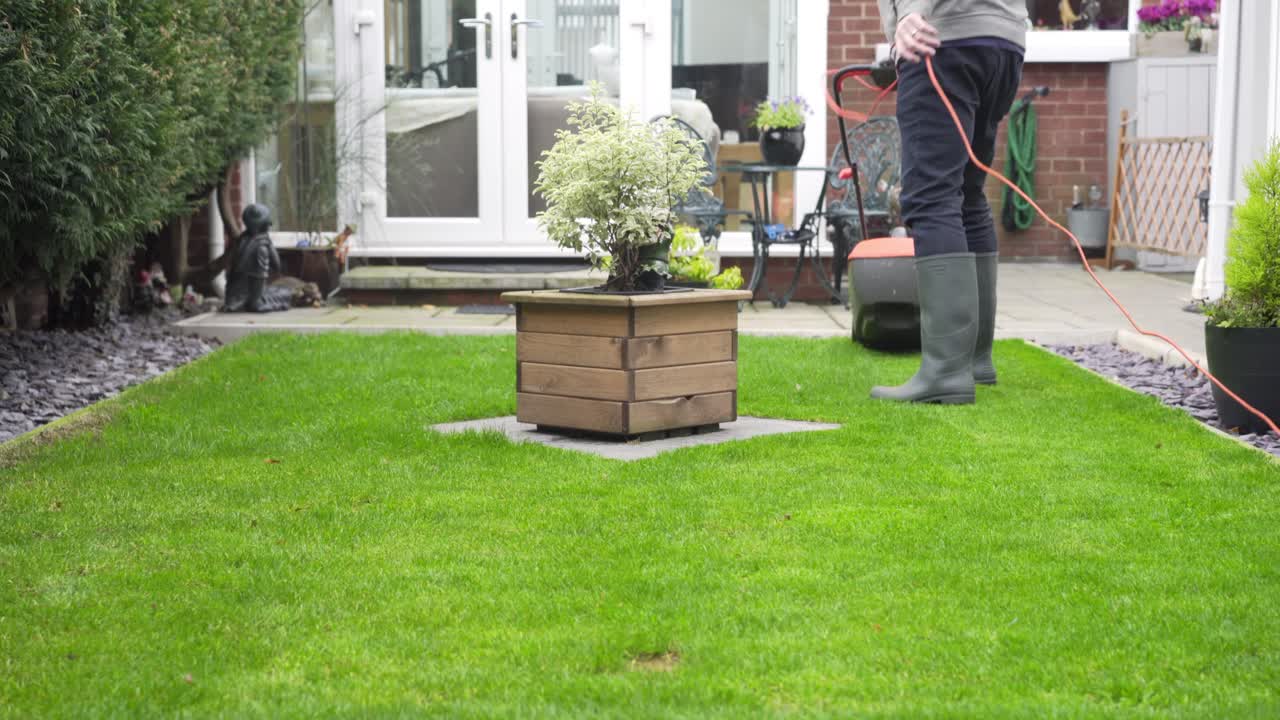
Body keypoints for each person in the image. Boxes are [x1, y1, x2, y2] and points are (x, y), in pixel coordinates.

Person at [870, 0, 1027, 404]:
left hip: (940, 35)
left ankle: (945, 371)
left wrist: (908, 11)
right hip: (1004, 42)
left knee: (930, 198)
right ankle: (975, 360)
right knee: (968, 195)